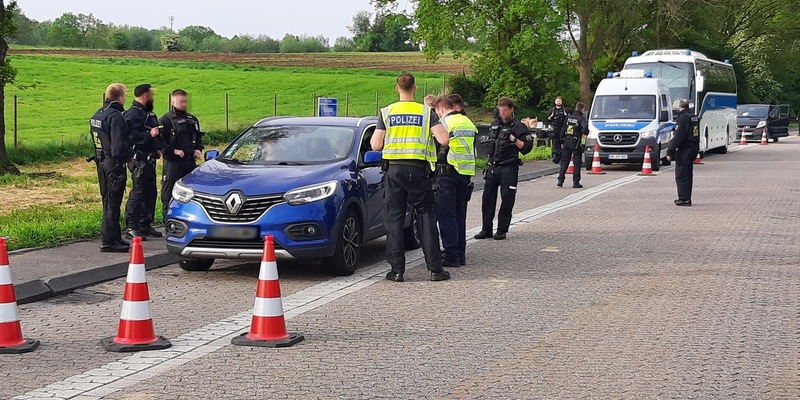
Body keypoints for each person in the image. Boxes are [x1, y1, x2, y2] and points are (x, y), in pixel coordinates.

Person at [370, 73, 452, 283]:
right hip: (419, 170)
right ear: (415, 89)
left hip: (394, 171)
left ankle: (397, 271)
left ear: (397, 88)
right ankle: (435, 270)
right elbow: (444, 139)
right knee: (425, 216)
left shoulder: (386, 112)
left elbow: (376, 145)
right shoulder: (426, 112)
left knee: (394, 218)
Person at [475, 97, 533, 241]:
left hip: (509, 167)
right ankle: (486, 229)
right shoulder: (495, 124)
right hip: (493, 167)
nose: (502, 113)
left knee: (507, 200)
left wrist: (514, 139)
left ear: (511, 109)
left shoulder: (519, 127)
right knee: (487, 200)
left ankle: (501, 230)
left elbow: (527, 148)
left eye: (505, 110)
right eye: (500, 110)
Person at [89, 83, 134, 253]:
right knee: (112, 203)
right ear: (121, 97)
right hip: (114, 165)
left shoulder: (98, 114)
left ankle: (115, 237)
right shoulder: (115, 116)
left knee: (108, 200)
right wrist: (131, 154)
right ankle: (108, 241)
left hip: (101, 162)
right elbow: (118, 148)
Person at [433, 97, 477, 267]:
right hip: (465, 173)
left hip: (448, 172)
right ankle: (460, 254)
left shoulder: (444, 123)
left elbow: (437, 143)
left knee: (446, 215)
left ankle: (451, 256)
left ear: (440, 109)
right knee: (460, 215)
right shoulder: (467, 121)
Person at [123, 84, 163, 240]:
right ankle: (132, 226)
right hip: (139, 159)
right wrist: (149, 135)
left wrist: (158, 147)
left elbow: (156, 133)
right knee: (138, 193)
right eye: (151, 94)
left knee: (150, 192)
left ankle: (145, 224)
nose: (153, 97)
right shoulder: (131, 115)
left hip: (150, 159)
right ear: (145, 95)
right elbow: (130, 137)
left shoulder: (148, 113)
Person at [159, 89, 204, 219]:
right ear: (173, 102)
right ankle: (168, 221)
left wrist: (198, 149)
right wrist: (173, 151)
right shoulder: (165, 120)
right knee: (168, 194)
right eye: (181, 101)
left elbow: (198, 137)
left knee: (191, 192)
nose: (184, 104)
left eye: (186, 101)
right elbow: (160, 142)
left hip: (190, 162)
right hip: (173, 162)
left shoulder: (192, 119)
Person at [667, 98, 700, 206]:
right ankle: (687, 197)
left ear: (680, 106)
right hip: (694, 146)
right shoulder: (693, 116)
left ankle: (684, 198)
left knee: (681, 174)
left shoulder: (683, 117)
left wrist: (670, 151)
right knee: (688, 173)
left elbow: (679, 136)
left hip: (685, 148)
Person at [557, 102, 589, 189]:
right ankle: (576, 182)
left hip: (567, 141)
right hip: (576, 142)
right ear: (582, 109)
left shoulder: (569, 117)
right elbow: (585, 128)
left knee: (564, 162)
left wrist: (561, 140)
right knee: (577, 163)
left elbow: (563, 129)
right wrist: (584, 133)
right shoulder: (581, 119)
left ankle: (560, 180)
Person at [547, 96, 569, 161]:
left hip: (563, 128)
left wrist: (566, 115)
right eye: (557, 101)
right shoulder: (552, 110)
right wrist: (551, 116)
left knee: (562, 141)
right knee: (555, 142)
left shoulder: (565, 110)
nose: (559, 102)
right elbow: (548, 119)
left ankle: (561, 154)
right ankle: (555, 154)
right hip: (555, 128)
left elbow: (568, 118)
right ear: (555, 102)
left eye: (560, 101)